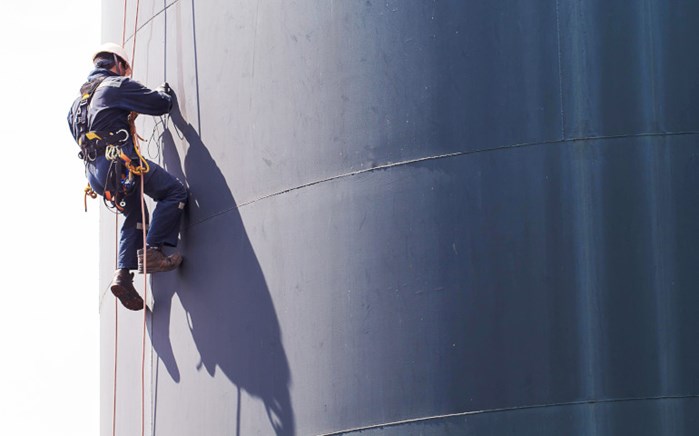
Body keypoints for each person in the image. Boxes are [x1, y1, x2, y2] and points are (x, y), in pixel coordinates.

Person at [68, 42, 188, 311]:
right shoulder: (115, 85)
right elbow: (160, 104)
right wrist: (164, 93)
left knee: (135, 214)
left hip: (97, 175)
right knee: (174, 192)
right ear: (117, 63)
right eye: (126, 68)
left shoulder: (75, 106)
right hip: (119, 164)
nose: (126, 73)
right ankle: (152, 251)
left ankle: (122, 275)